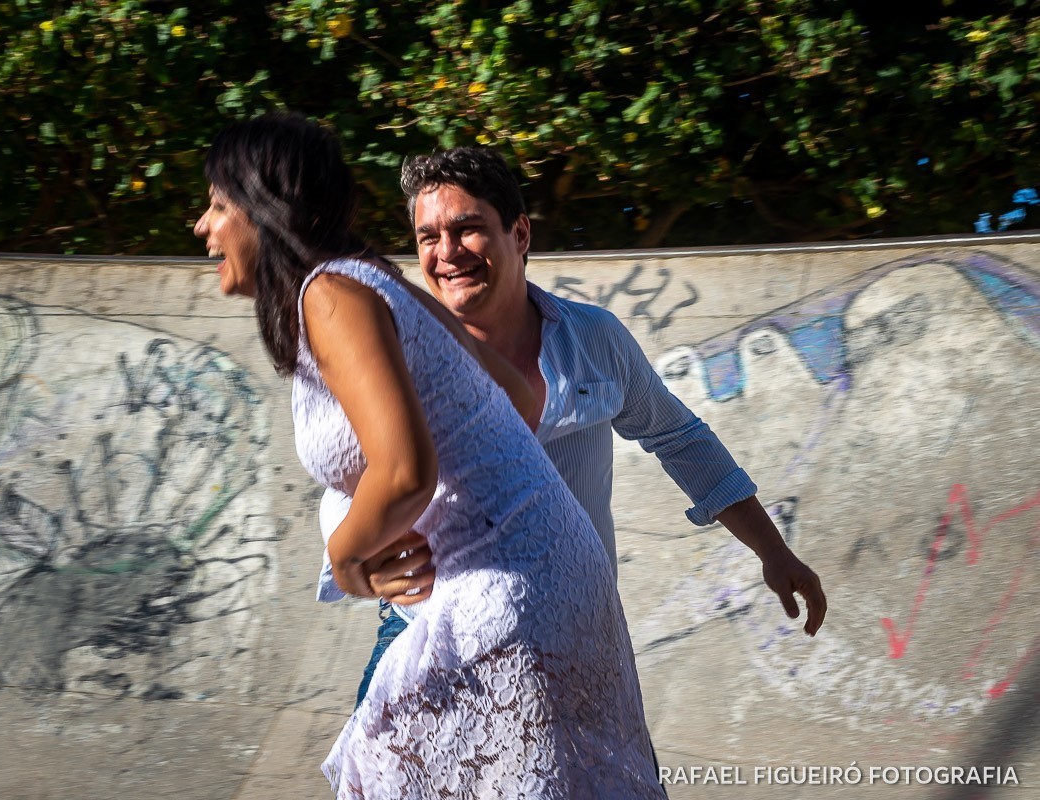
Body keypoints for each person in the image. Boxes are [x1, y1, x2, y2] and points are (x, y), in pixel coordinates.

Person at [195, 112, 668, 797]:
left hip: (502, 596)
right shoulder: (374, 281)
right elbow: (519, 397)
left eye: (217, 206)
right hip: (554, 578)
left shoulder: (329, 295)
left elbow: (404, 471)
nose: (203, 228)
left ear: (264, 209)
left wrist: (348, 559)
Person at [316, 147, 827, 710]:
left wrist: (773, 552)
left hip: (575, 636)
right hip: (432, 636)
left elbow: (680, 439)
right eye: (428, 237)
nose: (447, 252)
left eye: (466, 229)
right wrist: (361, 565)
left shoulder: (593, 339)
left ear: (520, 234)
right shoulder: (396, 359)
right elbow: (346, 479)